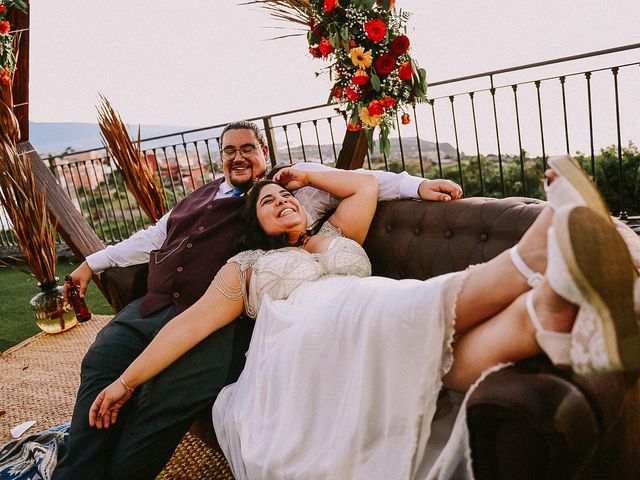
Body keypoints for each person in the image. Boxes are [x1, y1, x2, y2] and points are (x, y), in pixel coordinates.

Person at [89, 160, 640, 479]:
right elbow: (189, 327)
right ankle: (538, 252)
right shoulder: (247, 266)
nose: (282, 200)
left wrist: (305, 172)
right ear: (253, 225)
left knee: (388, 309)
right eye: (267, 201)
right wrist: (123, 381)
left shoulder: (337, 236)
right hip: (299, 345)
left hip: (369, 311)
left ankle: (547, 310)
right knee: (366, 307)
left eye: (287, 195)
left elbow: (364, 186)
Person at [53, 120, 463, 479]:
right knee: (101, 364)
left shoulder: (294, 191)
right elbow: (153, 238)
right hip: (156, 307)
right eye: (230, 150)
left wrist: (417, 185)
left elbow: (362, 180)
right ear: (221, 157)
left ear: (264, 153)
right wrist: (93, 262)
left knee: (165, 397)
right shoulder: (207, 202)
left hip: (230, 324)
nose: (239, 156)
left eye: (248, 148)